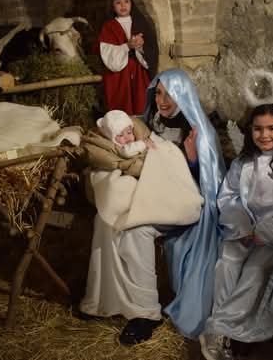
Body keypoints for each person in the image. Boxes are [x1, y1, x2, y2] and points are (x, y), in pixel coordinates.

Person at [79, 68, 225, 345]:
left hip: (178, 202)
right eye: (158, 93)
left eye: (170, 95)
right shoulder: (150, 121)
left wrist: (191, 160)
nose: (163, 101)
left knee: (137, 230)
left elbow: (207, 182)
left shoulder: (196, 130)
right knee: (105, 220)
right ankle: (104, 298)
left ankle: (146, 312)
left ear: (183, 95)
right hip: (148, 193)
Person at [199, 103, 273, 360]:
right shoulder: (243, 163)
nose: (264, 135)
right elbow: (229, 197)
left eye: (272, 128)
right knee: (227, 262)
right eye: (258, 129)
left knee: (255, 270)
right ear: (250, 131)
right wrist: (243, 226)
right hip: (244, 230)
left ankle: (219, 327)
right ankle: (226, 334)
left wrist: (266, 232)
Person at [94, 0, 159, 115]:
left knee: (141, 103)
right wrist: (127, 46)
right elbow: (108, 52)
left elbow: (152, 48)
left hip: (139, 72)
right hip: (119, 76)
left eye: (126, 1)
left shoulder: (141, 22)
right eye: (118, 2)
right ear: (113, 7)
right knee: (121, 106)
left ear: (131, 4)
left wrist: (141, 46)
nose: (123, 5)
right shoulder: (109, 27)